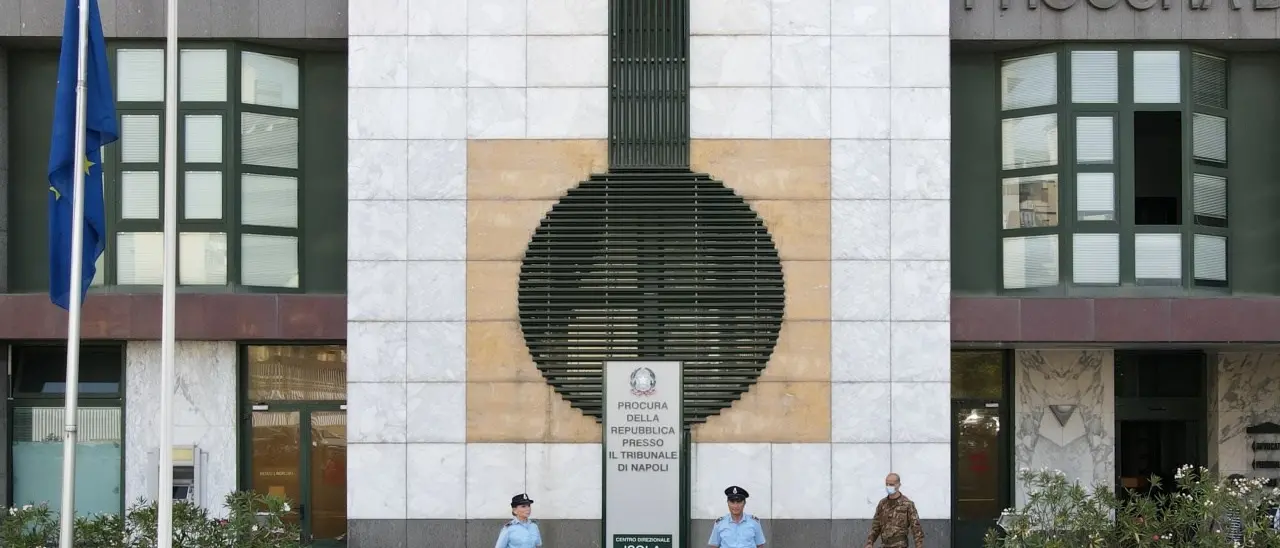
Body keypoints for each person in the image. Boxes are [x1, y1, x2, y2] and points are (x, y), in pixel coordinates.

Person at [865, 473, 925, 548]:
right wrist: (870, 543)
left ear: (898, 485)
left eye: (891, 484)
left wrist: (919, 545)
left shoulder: (907, 504)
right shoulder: (882, 504)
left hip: (900, 545)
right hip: (884, 544)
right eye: (887, 484)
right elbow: (876, 526)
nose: (888, 487)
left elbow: (916, 528)